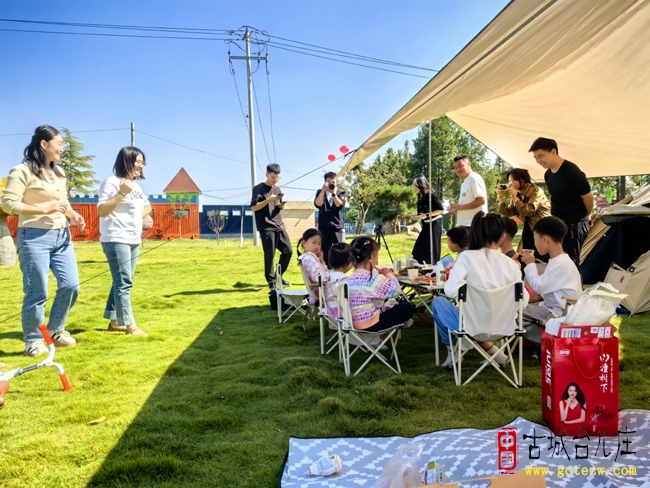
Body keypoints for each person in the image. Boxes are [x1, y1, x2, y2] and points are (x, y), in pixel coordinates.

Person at [1, 125, 85, 356]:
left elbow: (62, 202)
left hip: (62, 237)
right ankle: (34, 340)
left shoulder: (59, 172)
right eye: (59, 143)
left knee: (71, 286)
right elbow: (8, 204)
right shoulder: (22, 171)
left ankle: (56, 330)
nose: (62, 148)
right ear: (44, 144)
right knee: (36, 292)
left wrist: (73, 215)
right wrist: (44, 208)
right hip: (34, 238)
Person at [431, 213, 529, 368]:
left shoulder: (465, 258)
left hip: (471, 325)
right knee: (474, 318)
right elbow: (522, 303)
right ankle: (495, 353)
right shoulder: (511, 265)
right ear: (502, 238)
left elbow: (450, 291)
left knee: (438, 302)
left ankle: (454, 352)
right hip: (504, 326)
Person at [97, 147, 152, 337]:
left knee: (121, 280)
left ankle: (114, 320)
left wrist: (135, 218)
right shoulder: (111, 183)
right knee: (124, 282)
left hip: (133, 238)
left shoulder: (136, 187)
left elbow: (148, 207)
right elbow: (102, 210)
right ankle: (130, 325)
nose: (141, 165)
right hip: (116, 237)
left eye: (142, 162)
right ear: (126, 160)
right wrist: (120, 194)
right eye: (138, 161)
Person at [529, 138, 594, 267]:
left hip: (574, 226)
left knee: (573, 262)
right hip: (558, 226)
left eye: (541, 156)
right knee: (558, 261)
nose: (538, 161)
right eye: (535, 158)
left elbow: (588, 197)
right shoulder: (548, 175)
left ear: (553, 151)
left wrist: (583, 217)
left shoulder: (571, 171)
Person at [520, 217, 582, 344]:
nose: (534, 243)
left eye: (534, 238)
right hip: (556, 307)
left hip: (558, 311)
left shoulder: (560, 264)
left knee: (513, 314)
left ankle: (552, 342)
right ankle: (549, 340)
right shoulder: (560, 261)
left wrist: (530, 264)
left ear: (545, 239)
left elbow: (538, 287)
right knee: (518, 313)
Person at [348, 237, 415, 332]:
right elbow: (396, 291)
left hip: (353, 325)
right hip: (372, 325)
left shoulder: (350, 279)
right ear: (371, 257)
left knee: (386, 301)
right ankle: (401, 323)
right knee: (407, 307)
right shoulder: (373, 278)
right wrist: (388, 274)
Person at [251, 164, 293, 288]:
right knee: (270, 254)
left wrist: (280, 205)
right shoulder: (258, 188)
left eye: (277, 178)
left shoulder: (277, 189)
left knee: (288, 251)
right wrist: (268, 200)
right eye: (273, 177)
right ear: (266, 174)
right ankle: (271, 281)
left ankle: (279, 276)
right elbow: (254, 207)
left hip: (279, 224)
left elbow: (276, 205)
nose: (275, 180)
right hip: (266, 226)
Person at [497, 168, 551, 257]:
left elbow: (528, 211)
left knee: (542, 258)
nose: (511, 183)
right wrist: (501, 199)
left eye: (514, 179)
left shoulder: (536, 191)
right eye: (509, 180)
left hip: (542, 229)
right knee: (527, 258)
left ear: (523, 180)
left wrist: (515, 198)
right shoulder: (517, 194)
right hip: (528, 230)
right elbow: (509, 212)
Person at [410, 175, 444, 265]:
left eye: (415, 185)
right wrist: (417, 216)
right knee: (418, 253)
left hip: (433, 227)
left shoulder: (430, 196)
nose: (413, 187)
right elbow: (423, 213)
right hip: (425, 227)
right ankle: (421, 271)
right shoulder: (420, 197)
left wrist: (427, 215)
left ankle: (430, 273)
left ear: (421, 185)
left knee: (430, 254)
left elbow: (441, 210)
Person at [314, 172, 346, 266]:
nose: (331, 184)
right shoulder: (320, 192)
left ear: (337, 182)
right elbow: (317, 204)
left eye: (333, 182)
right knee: (325, 252)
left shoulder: (340, 192)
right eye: (328, 182)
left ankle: (340, 270)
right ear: (324, 182)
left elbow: (339, 205)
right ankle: (326, 271)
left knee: (339, 251)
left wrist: (333, 194)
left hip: (337, 227)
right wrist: (324, 190)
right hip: (324, 227)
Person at [449, 154, 488, 227]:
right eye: (455, 167)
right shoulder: (464, 183)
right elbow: (468, 203)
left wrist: (460, 207)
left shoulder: (474, 178)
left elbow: (481, 200)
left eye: (460, 166)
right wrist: (457, 208)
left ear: (469, 164)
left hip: (474, 226)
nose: (458, 170)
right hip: (466, 226)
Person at [324, 243, 353, 317]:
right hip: (342, 315)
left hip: (330, 313)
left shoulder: (328, 275)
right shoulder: (344, 280)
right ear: (348, 260)